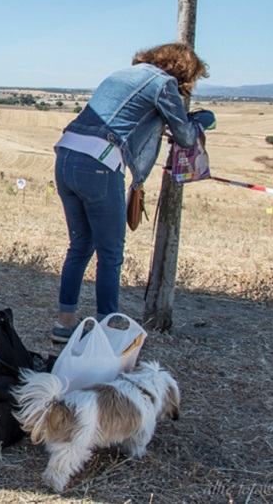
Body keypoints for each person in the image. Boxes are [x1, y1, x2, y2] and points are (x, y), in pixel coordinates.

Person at [50, 43, 215, 343]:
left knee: (80, 245)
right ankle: (107, 332)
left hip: (65, 156)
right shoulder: (163, 83)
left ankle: (64, 324)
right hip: (100, 164)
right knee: (111, 253)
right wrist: (201, 121)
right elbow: (185, 136)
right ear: (182, 70)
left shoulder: (122, 75)